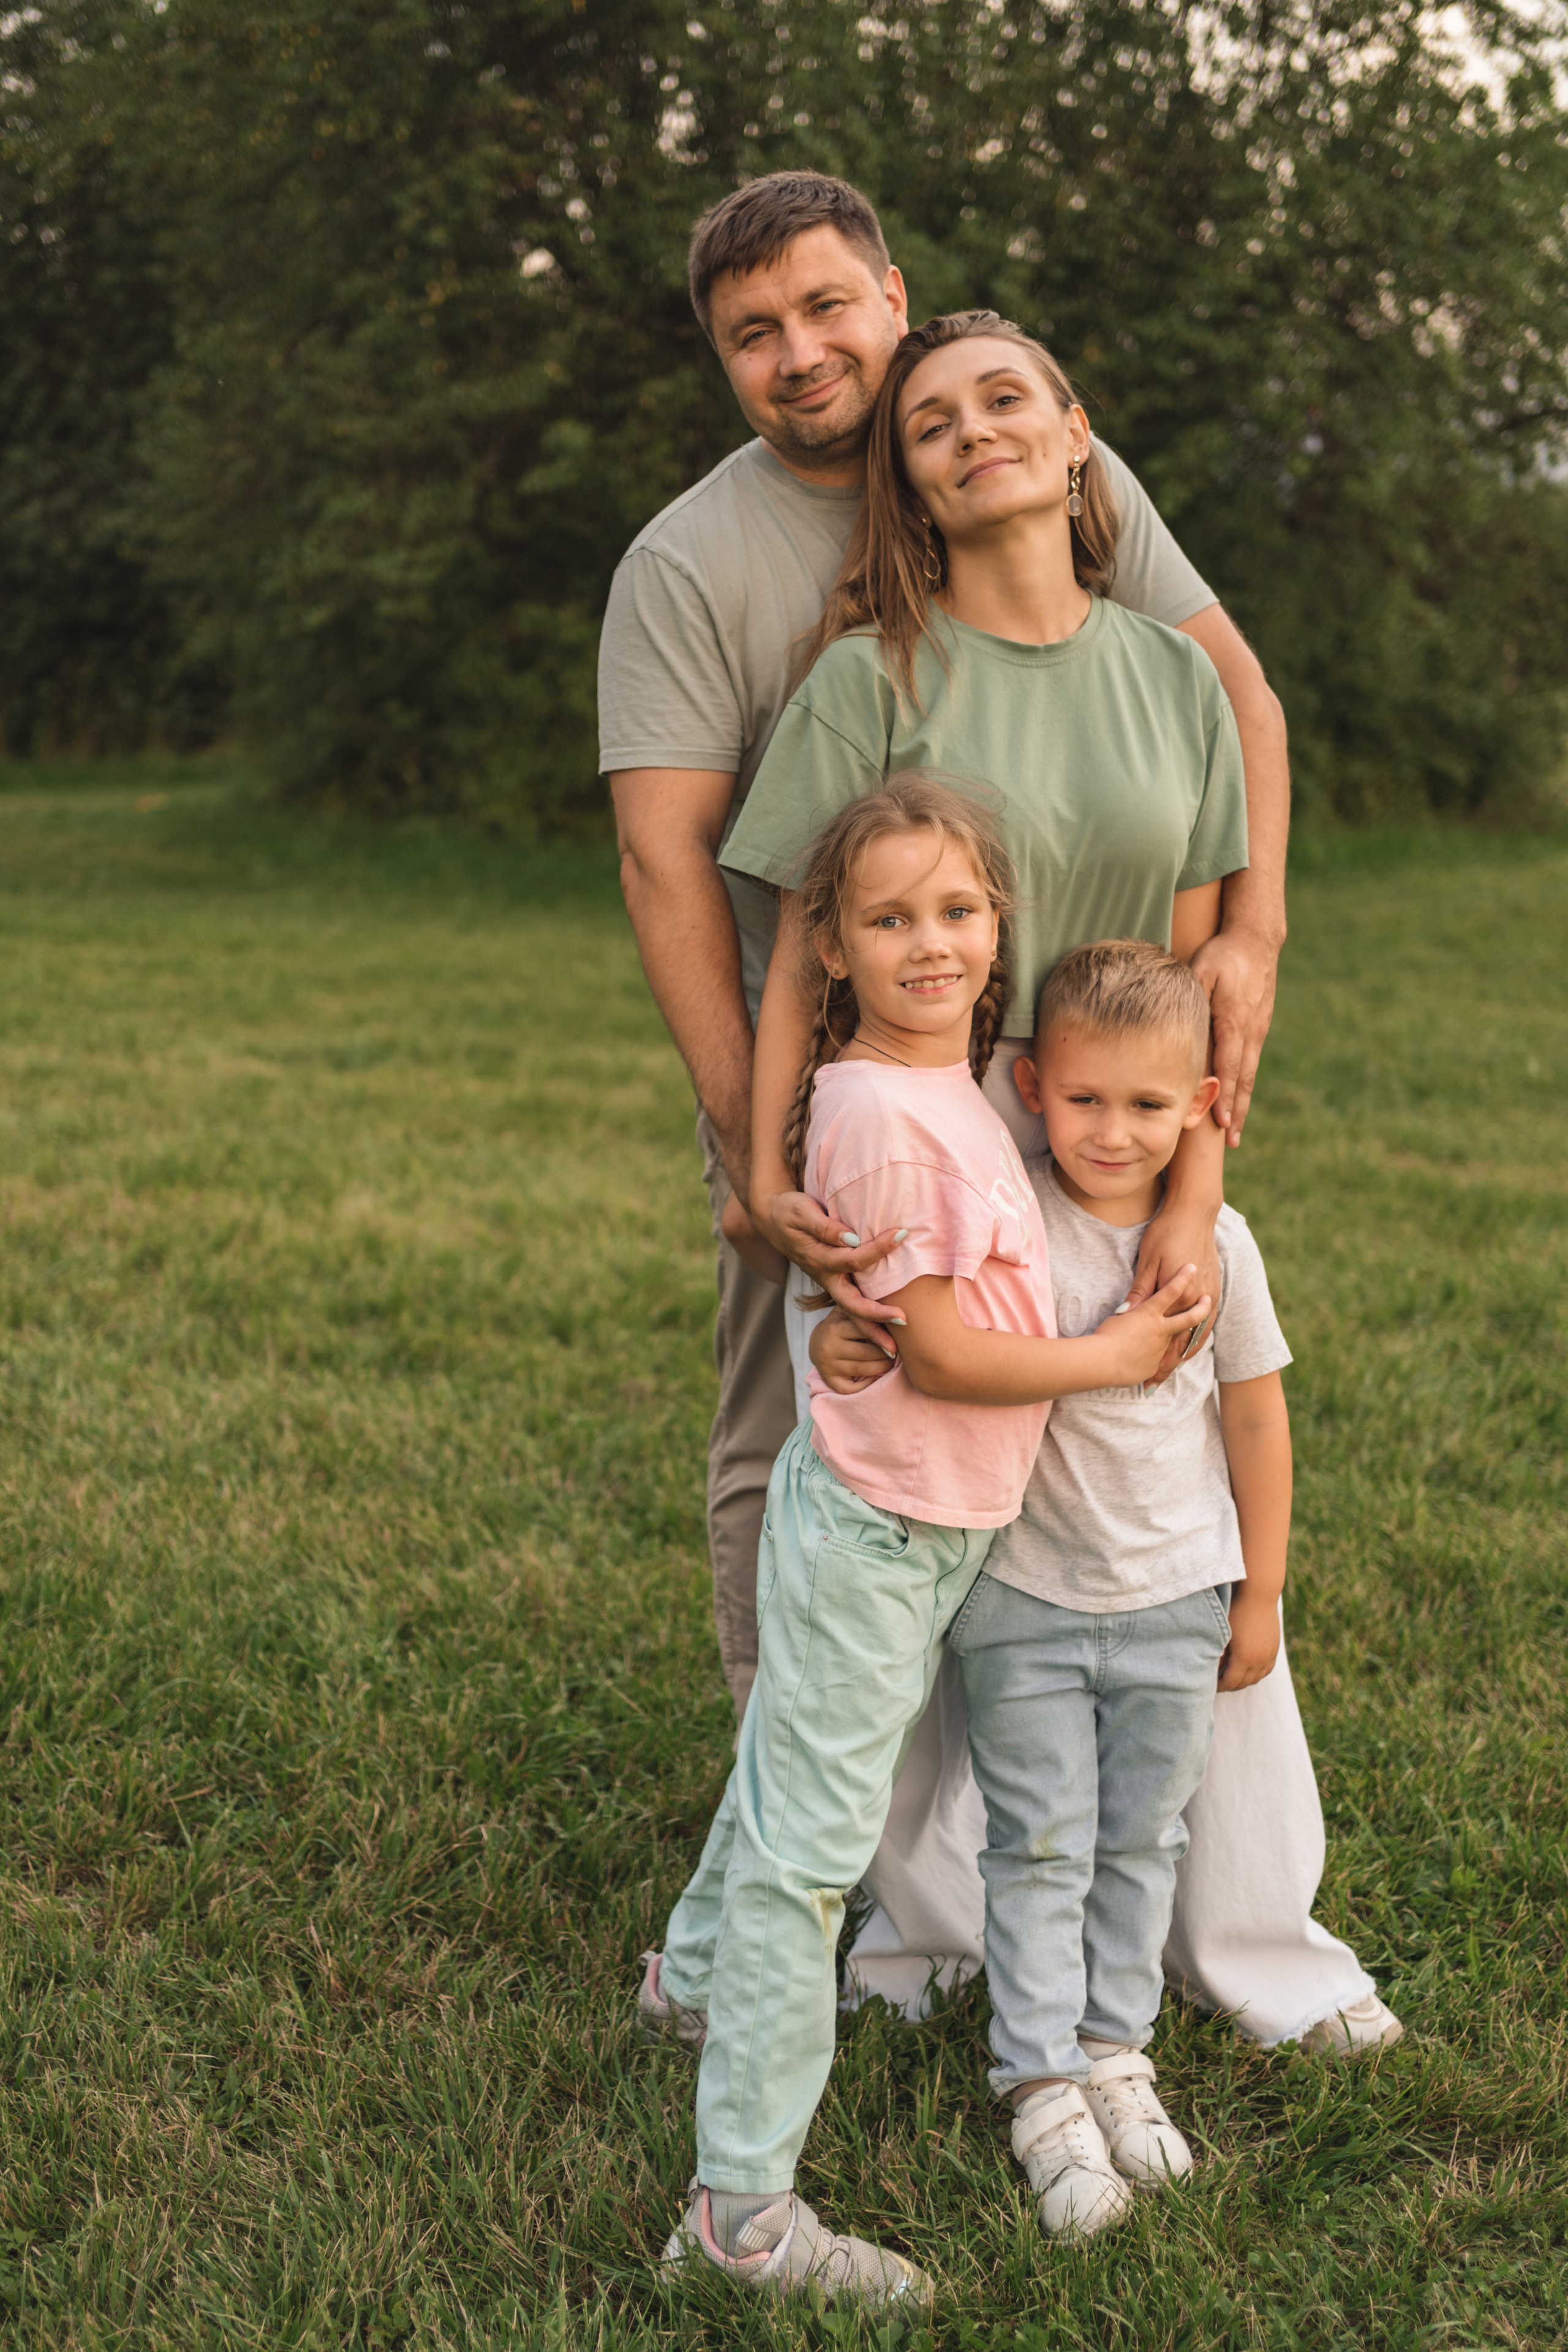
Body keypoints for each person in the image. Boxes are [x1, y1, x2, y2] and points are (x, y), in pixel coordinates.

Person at [606, 172, 1396, 2054]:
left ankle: (1229, 1924)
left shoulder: (1111, 586)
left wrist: (1230, 1031)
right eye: (751, 332)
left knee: (1143, 1509)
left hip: (1109, 1124)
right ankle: (870, 1901)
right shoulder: (749, 599)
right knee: (866, 1499)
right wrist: (763, 1155)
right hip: (900, 1121)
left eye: (828, 309)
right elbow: (690, 871)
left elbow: (1225, 779)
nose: (802, 353)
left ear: (895, 302)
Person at [654, 780, 1212, 2307]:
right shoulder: (890, 1116)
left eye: (956, 910)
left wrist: (848, 1328)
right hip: (881, 1532)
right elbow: (955, 1355)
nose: (931, 944)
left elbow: (911, 1310)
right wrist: (1113, 1361)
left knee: (789, 1761)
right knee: (808, 1860)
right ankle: (739, 2219)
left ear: (996, 924)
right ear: (827, 948)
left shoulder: (939, 1084)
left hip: (909, 1518)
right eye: (889, 918)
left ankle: (688, 1985)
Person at [813, 940, 1295, 2239]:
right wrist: (841, 1332)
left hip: (1175, 1599)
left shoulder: (1216, 1248)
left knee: (1142, 1839)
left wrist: (1257, 1593)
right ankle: (1036, 2084)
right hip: (1021, 1598)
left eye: (1147, 1105)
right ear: (1031, 1088)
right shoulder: (1004, 1217)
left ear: (1199, 1107)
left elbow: (1255, 1419)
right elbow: (921, 1328)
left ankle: (1112, 2052)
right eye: (1084, 1099)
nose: (1112, 1131)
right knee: (1034, 1844)